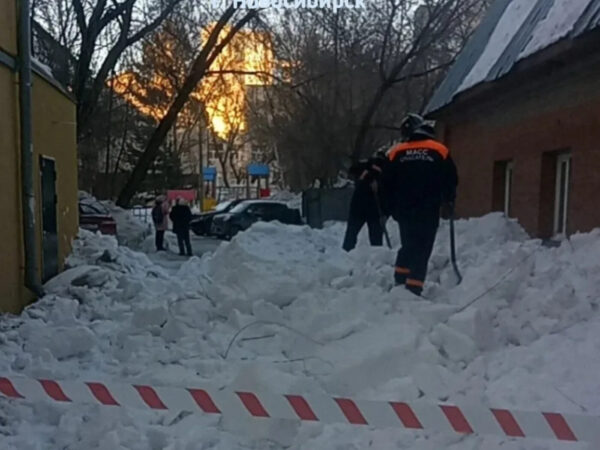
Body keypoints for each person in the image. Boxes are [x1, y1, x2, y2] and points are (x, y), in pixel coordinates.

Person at [382, 113, 458, 296]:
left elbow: (385, 183)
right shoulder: (439, 150)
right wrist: (448, 199)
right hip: (428, 208)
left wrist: (390, 207)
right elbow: (451, 179)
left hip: (404, 209)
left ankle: (400, 278)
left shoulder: (396, 153)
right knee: (423, 246)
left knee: (408, 243)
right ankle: (414, 286)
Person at [342, 151, 389, 251]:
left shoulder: (378, 169)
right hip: (367, 207)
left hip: (366, 206)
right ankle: (375, 254)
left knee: (354, 234)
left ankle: (347, 252)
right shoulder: (373, 167)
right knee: (372, 236)